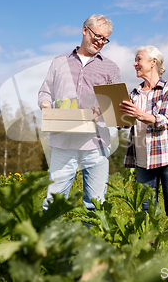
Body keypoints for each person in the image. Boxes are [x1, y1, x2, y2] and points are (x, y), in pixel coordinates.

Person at [38, 14, 122, 211]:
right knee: (53, 204)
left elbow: (117, 107)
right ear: (85, 30)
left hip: (96, 145)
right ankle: (49, 241)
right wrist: (45, 103)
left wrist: (103, 109)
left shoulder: (110, 68)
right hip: (62, 143)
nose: (100, 42)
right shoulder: (59, 62)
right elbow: (45, 91)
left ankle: (91, 242)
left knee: (95, 206)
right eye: (98, 36)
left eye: (105, 39)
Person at [119, 45, 168, 220]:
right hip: (143, 161)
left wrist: (139, 114)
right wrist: (110, 113)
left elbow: (164, 120)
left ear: (153, 62)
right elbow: (123, 125)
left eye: (138, 59)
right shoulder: (134, 93)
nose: (135, 64)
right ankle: (149, 247)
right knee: (146, 211)